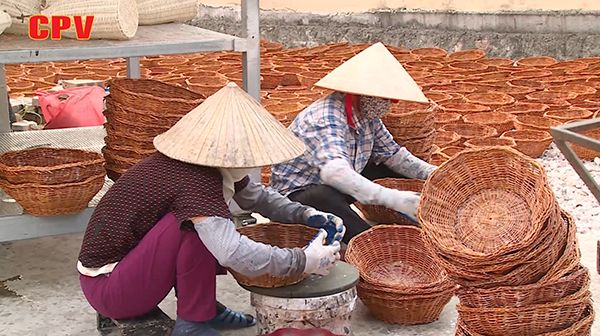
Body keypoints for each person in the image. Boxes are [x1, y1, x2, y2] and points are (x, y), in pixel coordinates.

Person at [77, 82, 345, 336]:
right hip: (110, 287)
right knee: (198, 229)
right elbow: (233, 253)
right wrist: (302, 261)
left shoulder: (205, 166)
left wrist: (305, 215)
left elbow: (258, 197)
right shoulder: (196, 182)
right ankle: (193, 322)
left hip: (126, 273)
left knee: (202, 228)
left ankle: (201, 308)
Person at [270, 42, 437, 244]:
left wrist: (436, 174)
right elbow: (335, 173)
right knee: (320, 196)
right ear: (361, 94)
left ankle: (396, 216)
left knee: (388, 169)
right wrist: (393, 198)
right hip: (298, 197)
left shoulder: (367, 117)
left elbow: (394, 155)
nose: (388, 105)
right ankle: (368, 241)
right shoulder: (326, 117)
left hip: (337, 186)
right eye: (384, 98)